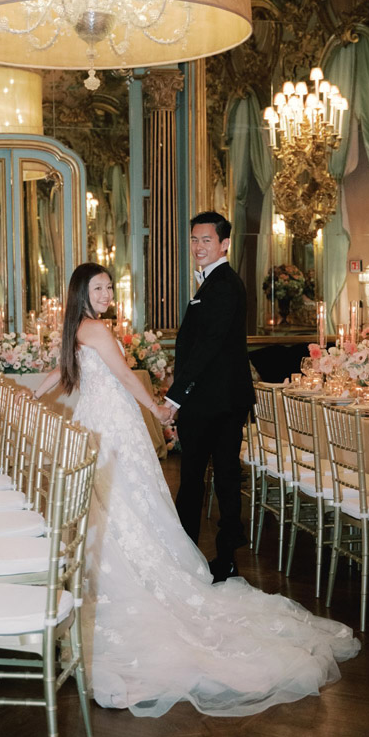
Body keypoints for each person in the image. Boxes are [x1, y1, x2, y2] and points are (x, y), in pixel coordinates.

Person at [35, 262, 359, 718]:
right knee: (120, 505)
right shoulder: (97, 331)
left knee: (118, 507)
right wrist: (157, 409)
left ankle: (105, 581)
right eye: (99, 288)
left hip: (101, 425)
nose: (107, 294)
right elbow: (125, 379)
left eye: (109, 287)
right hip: (109, 428)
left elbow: (62, 373)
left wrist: (33, 394)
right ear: (80, 293)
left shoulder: (80, 329)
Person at [165, 212, 254, 583]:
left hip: (215, 403)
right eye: (195, 240)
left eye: (206, 240)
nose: (199, 247)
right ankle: (206, 553)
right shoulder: (213, 282)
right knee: (204, 479)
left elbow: (207, 347)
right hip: (215, 401)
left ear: (224, 244)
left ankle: (220, 556)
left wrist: (174, 398)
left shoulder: (224, 285)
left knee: (207, 479)